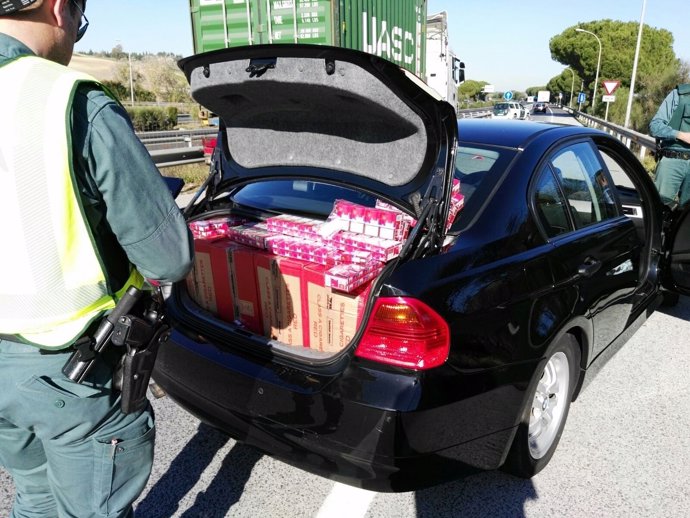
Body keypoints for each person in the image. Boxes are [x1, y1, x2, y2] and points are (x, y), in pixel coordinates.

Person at [0, 1, 193, 516]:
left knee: (34, 497)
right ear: (58, 8)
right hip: (68, 371)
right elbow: (168, 258)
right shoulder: (68, 100)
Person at [649, 83, 690, 207]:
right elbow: (654, 127)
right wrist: (682, 135)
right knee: (659, 210)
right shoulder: (679, 94)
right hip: (672, 160)